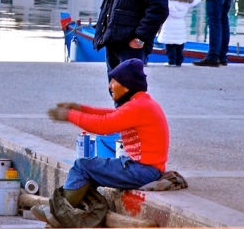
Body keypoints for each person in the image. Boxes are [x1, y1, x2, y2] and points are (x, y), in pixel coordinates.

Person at [32, 59, 169, 225]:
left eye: (113, 81)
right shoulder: (141, 103)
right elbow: (110, 115)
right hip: (143, 168)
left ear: (126, 86)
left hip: (142, 170)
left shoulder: (138, 107)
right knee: (87, 172)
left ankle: (58, 216)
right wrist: (80, 109)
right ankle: (69, 214)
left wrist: (69, 115)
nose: (109, 86)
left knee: (82, 166)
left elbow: (102, 125)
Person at [157, 0, 203, 67]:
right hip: (180, 26)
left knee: (169, 46)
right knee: (179, 46)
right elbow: (195, 0)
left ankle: (171, 61)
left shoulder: (167, 2)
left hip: (169, 26)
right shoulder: (185, 2)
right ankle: (179, 61)